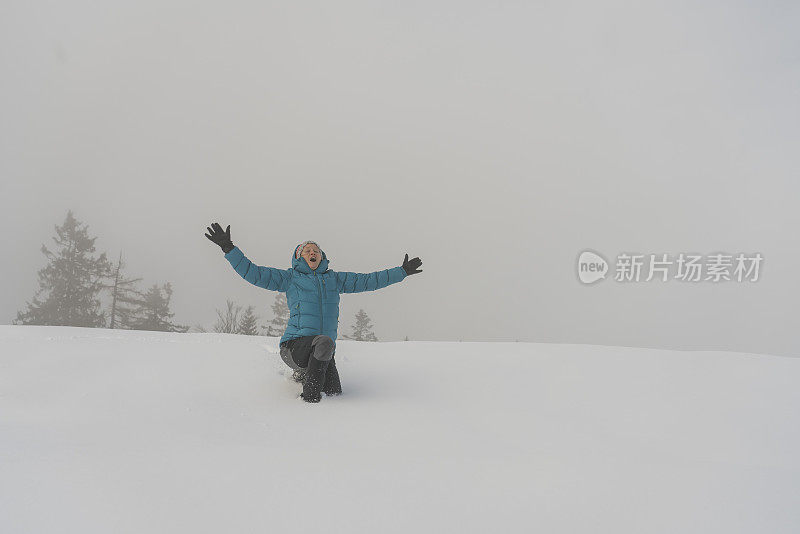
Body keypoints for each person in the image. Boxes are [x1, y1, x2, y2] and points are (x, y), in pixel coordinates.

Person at [205, 222, 422, 403]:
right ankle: (307, 403)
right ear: (299, 257)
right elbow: (253, 273)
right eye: (307, 251)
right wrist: (229, 248)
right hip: (294, 348)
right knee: (324, 346)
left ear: (322, 257)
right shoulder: (290, 278)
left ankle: (306, 377)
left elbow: (369, 280)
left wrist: (401, 272)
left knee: (335, 393)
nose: (312, 253)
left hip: (322, 351)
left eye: (316, 251)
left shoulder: (335, 280)